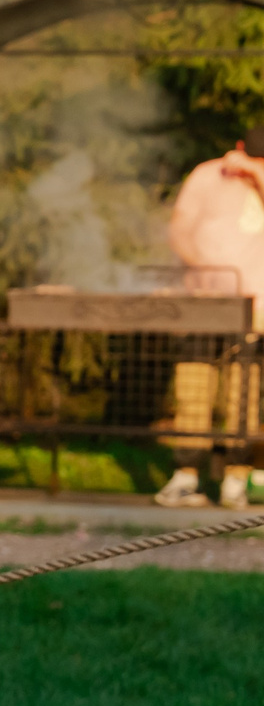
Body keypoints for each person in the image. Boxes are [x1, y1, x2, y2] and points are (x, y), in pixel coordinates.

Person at [155, 124, 264, 508]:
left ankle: (236, 477)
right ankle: (186, 476)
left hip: (254, 310)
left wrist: (257, 175)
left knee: (243, 399)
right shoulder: (207, 174)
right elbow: (180, 229)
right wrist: (200, 265)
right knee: (194, 390)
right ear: (236, 147)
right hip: (203, 303)